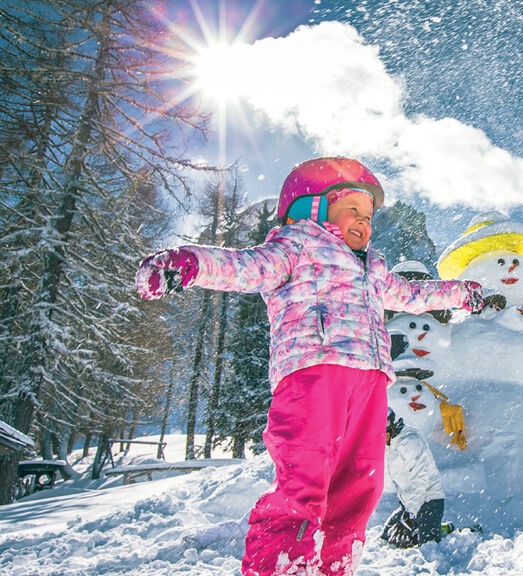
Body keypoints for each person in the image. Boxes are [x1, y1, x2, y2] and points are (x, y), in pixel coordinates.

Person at [135, 157, 483, 576]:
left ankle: (336, 566)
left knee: (360, 488)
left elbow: (412, 295)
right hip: (313, 373)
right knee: (305, 482)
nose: (363, 222)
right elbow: (247, 267)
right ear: (313, 208)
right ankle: (281, 566)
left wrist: (461, 293)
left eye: (368, 215)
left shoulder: (373, 269)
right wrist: (191, 263)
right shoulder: (296, 245)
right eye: (351, 208)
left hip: (370, 383)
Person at [381, 408, 446, 548]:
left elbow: (420, 481)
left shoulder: (410, 442)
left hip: (429, 501)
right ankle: (426, 527)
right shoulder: (390, 444)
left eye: (381, 434)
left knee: (426, 545)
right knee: (387, 539)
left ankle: (447, 530)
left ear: (391, 427)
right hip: (408, 504)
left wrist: (410, 517)